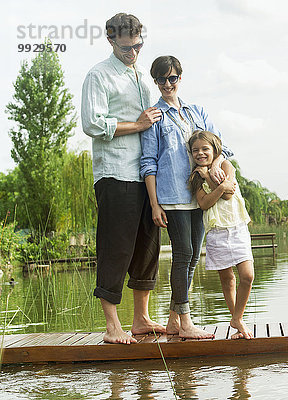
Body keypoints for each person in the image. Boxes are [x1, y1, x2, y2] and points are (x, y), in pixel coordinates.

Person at [81, 13, 165, 344]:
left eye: (139, 46)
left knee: (148, 243)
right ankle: (113, 325)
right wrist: (137, 125)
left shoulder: (143, 76)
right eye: (127, 47)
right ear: (111, 41)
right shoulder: (98, 76)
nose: (134, 52)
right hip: (115, 172)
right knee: (116, 246)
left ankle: (141, 318)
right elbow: (92, 123)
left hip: (146, 174)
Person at [140, 56, 233, 339]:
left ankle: (172, 321)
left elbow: (220, 146)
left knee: (193, 258)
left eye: (172, 78)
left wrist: (215, 165)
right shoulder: (155, 116)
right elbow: (148, 163)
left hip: (200, 194)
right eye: (161, 80)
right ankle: (186, 322)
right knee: (184, 256)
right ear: (155, 82)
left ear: (180, 78)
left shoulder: (197, 111)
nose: (167, 84)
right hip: (173, 196)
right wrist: (155, 204)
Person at [188, 131, 255, 340]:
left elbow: (228, 194)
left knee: (247, 275)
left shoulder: (226, 166)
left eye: (205, 149)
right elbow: (204, 203)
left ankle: (237, 317)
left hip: (237, 228)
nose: (200, 153)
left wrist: (210, 176)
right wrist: (213, 182)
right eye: (195, 150)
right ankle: (237, 323)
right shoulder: (195, 178)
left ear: (215, 150)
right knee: (228, 279)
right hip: (216, 232)